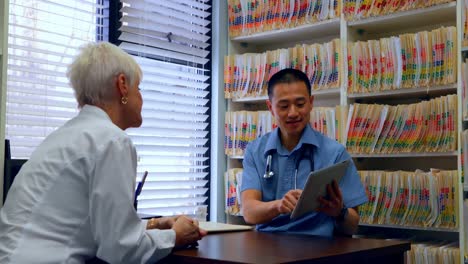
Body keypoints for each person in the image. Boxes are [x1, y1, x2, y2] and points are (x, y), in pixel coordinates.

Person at [0, 42, 206, 263]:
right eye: (139, 88)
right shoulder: (112, 141)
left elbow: (87, 225)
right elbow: (121, 250)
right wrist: (175, 236)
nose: (142, 98)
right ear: (122, 85)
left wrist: (154, 224)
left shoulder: (65, 136)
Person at [240, 68, 368, 236]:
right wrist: (278, 206)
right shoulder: (255, 151)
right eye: (284, 106)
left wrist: (339, 212)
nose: (293, 113)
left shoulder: (335, 153)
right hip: (267, 247)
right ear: (270, 107)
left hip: (318, 249)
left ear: (311, 102)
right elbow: (249, 212)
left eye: (300, 104)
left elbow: (352, 226)